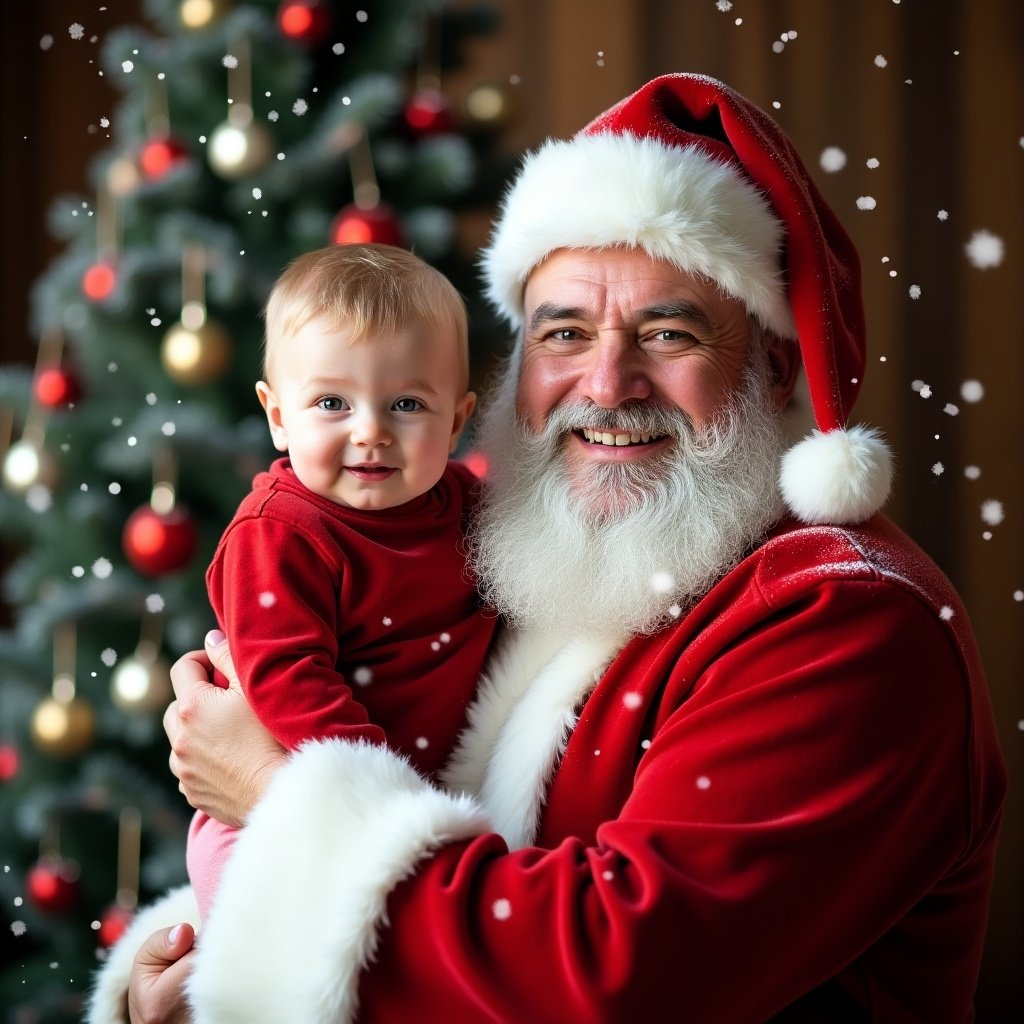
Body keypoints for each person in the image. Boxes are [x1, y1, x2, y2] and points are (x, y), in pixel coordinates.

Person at [87, 73, 1006, 1024]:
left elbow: (608, 978)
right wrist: (202, 969)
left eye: (669, 331)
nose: (607, 385)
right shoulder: (496, 534)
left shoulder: (848, 620)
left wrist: (280, 798)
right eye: (563, 332)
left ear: (773, 368)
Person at [186, 243, 496, 920]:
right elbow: (289, 680)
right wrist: (385, 794)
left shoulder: (465, 504)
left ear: (457, 420)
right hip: (266, 820)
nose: (371, 433)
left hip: (422, 797)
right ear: (276, 415)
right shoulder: (280, 535)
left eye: (407, 404)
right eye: (332, 401)